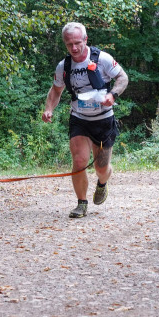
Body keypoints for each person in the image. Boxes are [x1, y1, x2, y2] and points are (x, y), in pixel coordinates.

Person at [42, 22, 129, 218]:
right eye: (69, 44)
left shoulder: (102, 59)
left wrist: (113, 95)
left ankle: (103, 182)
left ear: (86, 40)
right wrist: (49, 109)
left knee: (101, 167)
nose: (73, 48)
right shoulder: (64, 66)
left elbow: (123, 78)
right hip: (79, 118)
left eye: (77, 43)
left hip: (103, 120)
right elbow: (56, 90)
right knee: (79, 160)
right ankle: (81, 203)